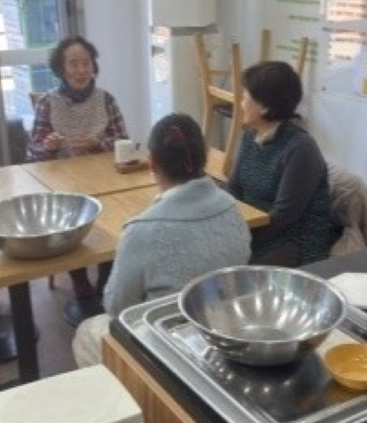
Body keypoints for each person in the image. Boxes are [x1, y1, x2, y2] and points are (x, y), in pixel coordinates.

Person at [72, 113, 251, 367]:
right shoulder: (232, 207)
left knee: (86, 331)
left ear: (152, 164)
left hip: (170, 348)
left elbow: (117, 308)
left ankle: (133, 389)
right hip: (226, 332)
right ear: (206, 156)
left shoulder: (141, 231)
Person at [28, 35, 130, 325]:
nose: (81, 70)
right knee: (71, 221)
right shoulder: (48, 102)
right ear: (61, 68)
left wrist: (98, 143)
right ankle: (80, 280)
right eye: (73, 64)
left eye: (86, 63)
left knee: (115, 220)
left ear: (93, 66)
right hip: (63, 183)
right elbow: (33, 153)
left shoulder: (106, 100)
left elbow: (124, 142)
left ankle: (106, 279)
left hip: (105, 179)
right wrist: (48, 146)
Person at [226, 60, 332, 266]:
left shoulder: (301, 148)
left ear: (264, 107)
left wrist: (241, 235)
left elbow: (283, 217)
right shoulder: (250, 136)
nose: (240, 102)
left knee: (232, 270)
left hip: (292, 240)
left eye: (245, 97)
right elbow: (233, 189)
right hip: (252, 232)